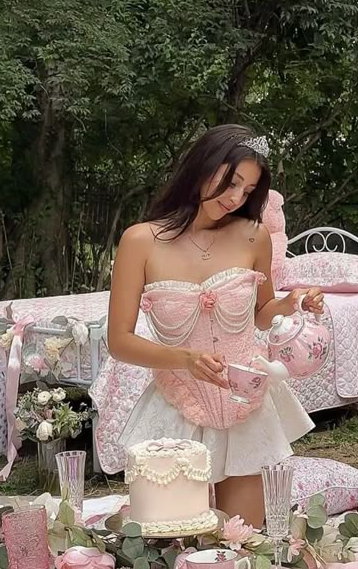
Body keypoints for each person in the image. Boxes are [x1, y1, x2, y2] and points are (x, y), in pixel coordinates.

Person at [107, 124, 323, 526]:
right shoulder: (140, 242)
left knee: (244, 541)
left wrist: (293, 302)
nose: (235, 198)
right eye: (231, 182)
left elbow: (262, 313)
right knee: (174, 543)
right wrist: (184, 359)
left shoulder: (254, 237)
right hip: (176, 408)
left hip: (245, 405)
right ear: (203, 166)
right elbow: (119, 342)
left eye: (247, 191)